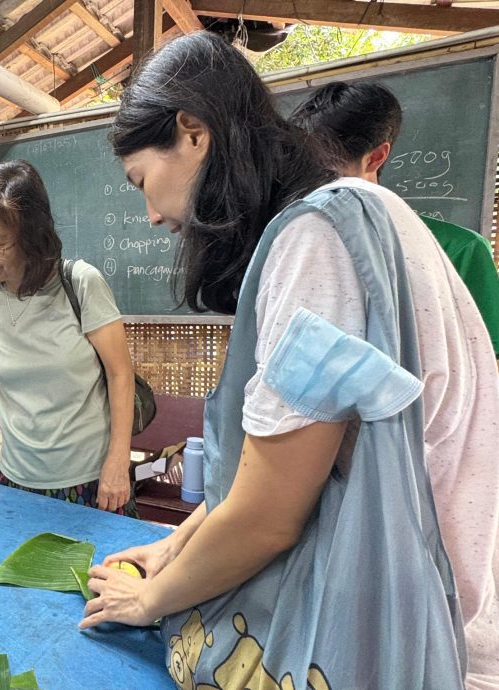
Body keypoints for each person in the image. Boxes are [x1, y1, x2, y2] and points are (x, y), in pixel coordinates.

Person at [78, 32, 499, 690]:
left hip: (410, 638)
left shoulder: (315, 242)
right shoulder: (355, 214)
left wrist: (148, 601)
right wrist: (170, 547)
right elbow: (263, 472)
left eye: (142, 181)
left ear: (193, 132)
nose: (151, 214)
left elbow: (270, 514)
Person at [0, 160, 137, 515]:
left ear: (32, 237)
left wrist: (117, 462)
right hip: (16, 476)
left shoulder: (80, 283)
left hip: (89, 477)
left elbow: (120, 374)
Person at [289, 80, 499, 358]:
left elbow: (486, 360)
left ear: (375, 157)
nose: (315, 183)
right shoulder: (302, 243)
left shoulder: (460, 249)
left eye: (328, 168)